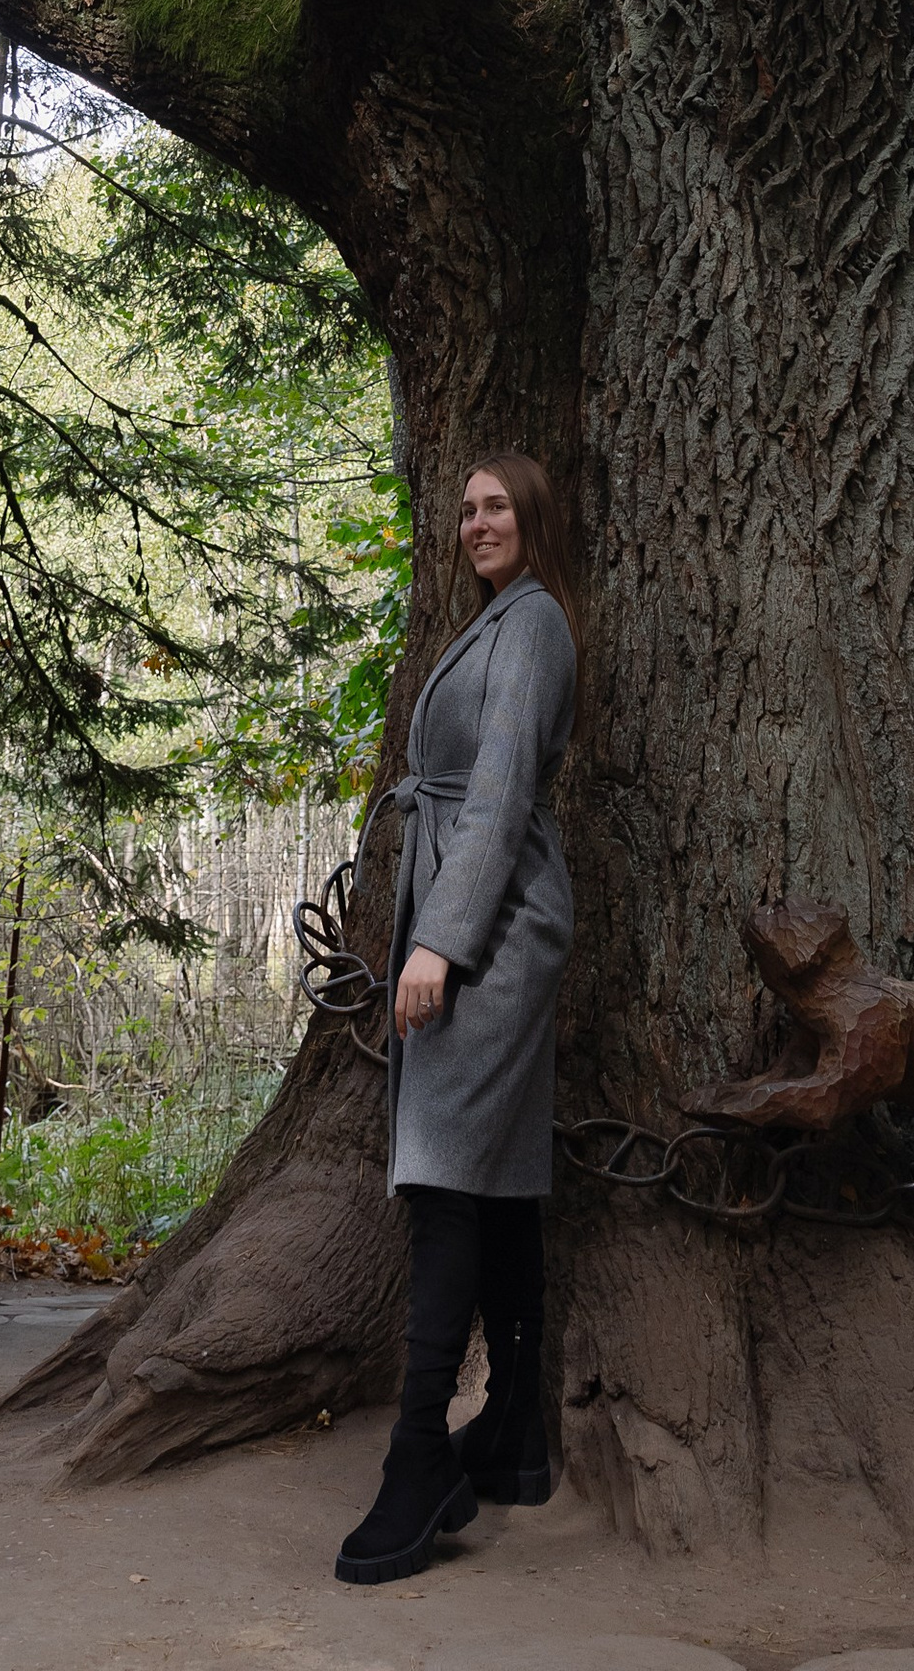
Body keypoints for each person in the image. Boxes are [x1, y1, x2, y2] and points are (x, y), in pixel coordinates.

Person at [334, 451, 579, 1588]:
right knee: (497, 1177)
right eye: (466, 508)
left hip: (494, 926)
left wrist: (439, 941)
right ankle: (516, 1429)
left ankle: (418, 1454)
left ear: (533, 518)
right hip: (475, 912)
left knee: (440, 1176)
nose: (477, 522)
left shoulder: (534, 624)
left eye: (497, 507)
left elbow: (501, 792)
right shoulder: (496, 619)